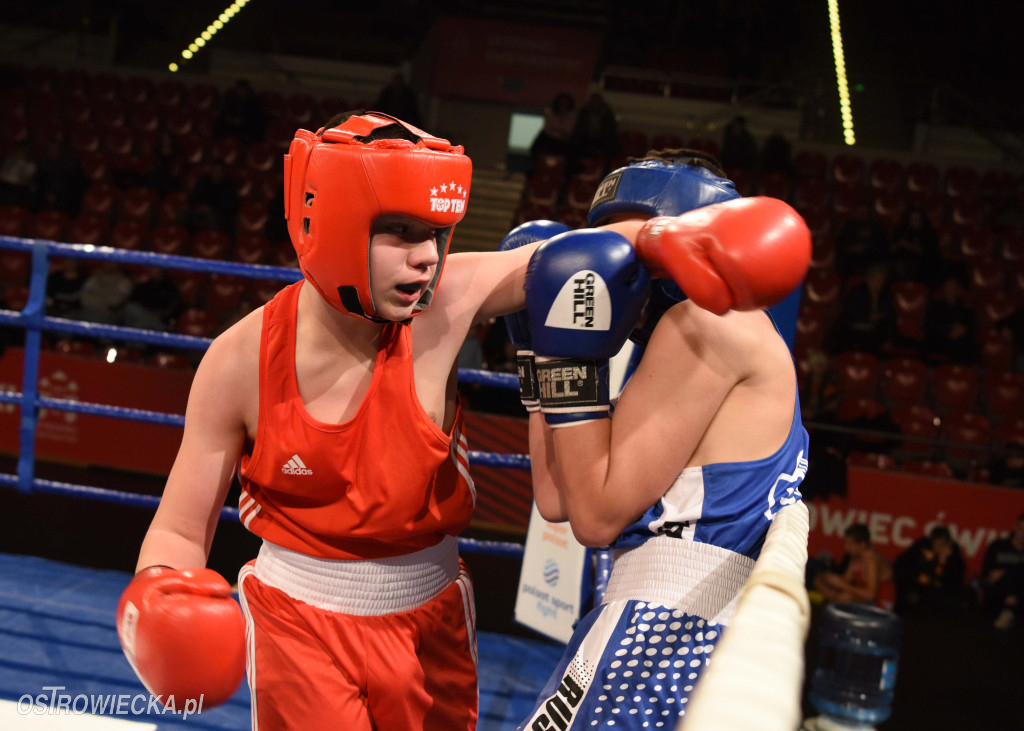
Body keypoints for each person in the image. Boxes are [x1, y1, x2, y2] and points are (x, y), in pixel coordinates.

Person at [114, 114, 810, 729]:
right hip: (301, 617)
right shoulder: (238, 360)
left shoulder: (444, 303)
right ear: (327, 224)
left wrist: (662, 239)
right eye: (404, 233)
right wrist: (161, 590)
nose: (428, 257)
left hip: (431, 621)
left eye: (440, 235)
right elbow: (181, 523)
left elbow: (570, 262)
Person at [510, 150, 812, 729]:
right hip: (668, 625)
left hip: (662, 632)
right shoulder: (692, 336)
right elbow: (557, 498)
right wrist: (537, 351)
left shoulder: (705, 324)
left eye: (626, 248)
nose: (609, 268)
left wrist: (564, 349)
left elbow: (595, 521)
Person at [814, 523, 895, 610]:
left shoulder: (872, 560)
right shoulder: (856, 559)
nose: (846, 547)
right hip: (865, 599)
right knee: (820, 581)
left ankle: (836, 613)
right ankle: (834, 612)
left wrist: (842, 585)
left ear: (862, 544)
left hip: (881, 603)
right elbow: (846, 580)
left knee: (845, 597)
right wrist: (830, 579)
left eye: (850, 544)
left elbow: (870, 595)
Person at [893, 524, 968, 616]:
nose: (937, 547)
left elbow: (953, 582)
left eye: (941, 544)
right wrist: (917, 575)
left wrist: (943, 562)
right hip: (917, 588)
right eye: (935, 543)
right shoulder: (922, 547)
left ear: (948, 543)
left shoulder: (955, 558)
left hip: (940, 595)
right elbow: (904, 563)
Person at [980, 512, 1024, 630]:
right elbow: (987, 573)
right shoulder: (998, 546)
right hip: (998, 593)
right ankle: (1008, 610)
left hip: (1020, 596)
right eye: (1020, 529)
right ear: (1015, 527)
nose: (1022, 534)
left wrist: (1007, 572)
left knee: (1015, 574)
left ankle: (1009, 610)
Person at [529, 92, 577, 160]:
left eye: (566, 103)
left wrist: (557, 131)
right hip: (549, 138)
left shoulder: (573, 116)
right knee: (538, 146)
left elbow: (569, 130)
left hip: (564, 141)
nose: (563, 105)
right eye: (561, 103)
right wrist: (558, 133)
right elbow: (547, 129)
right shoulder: (551, 114)